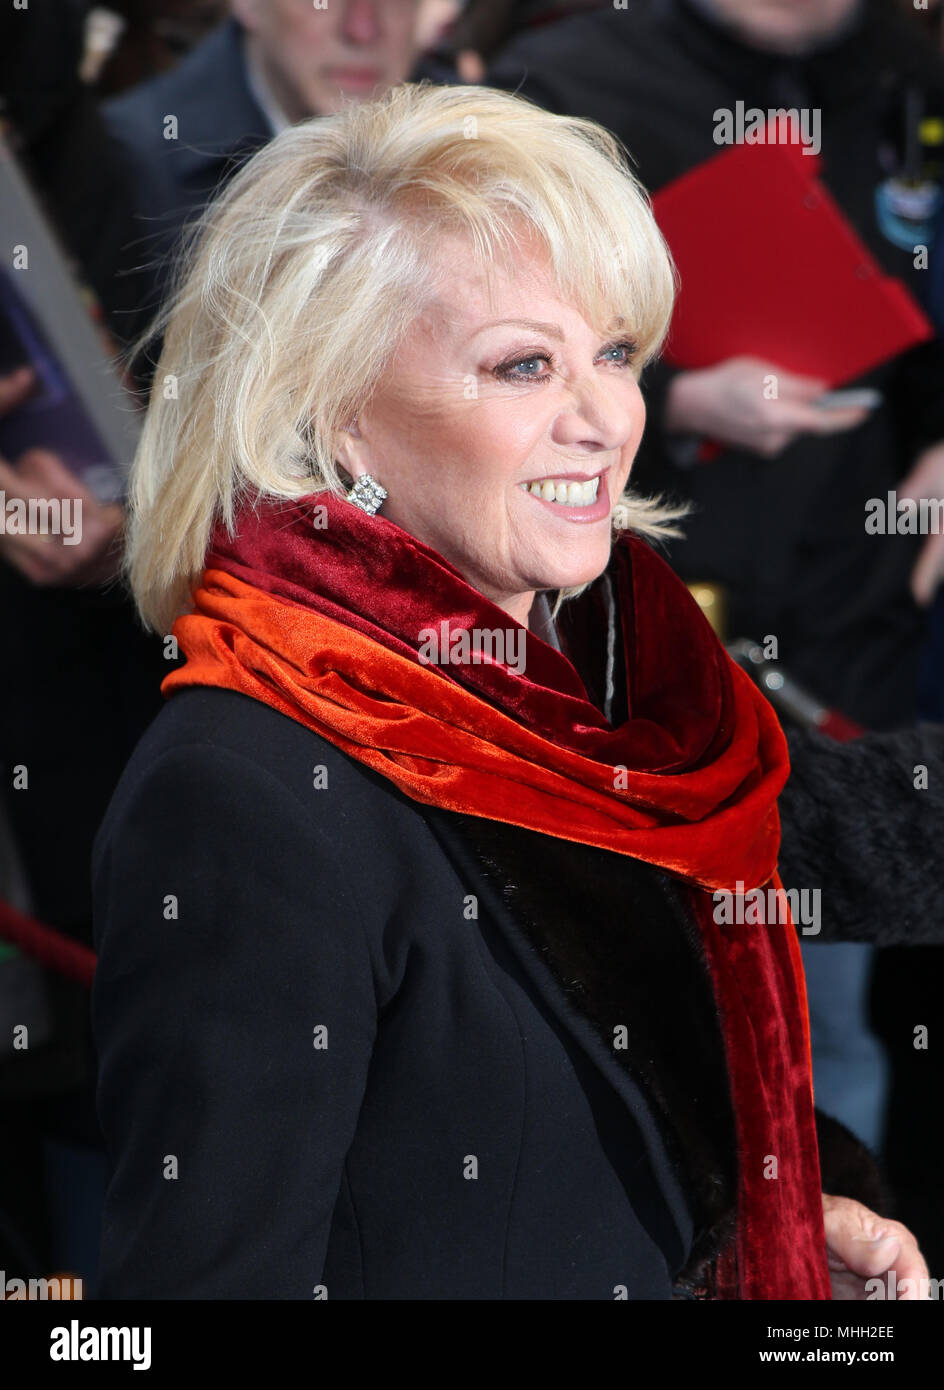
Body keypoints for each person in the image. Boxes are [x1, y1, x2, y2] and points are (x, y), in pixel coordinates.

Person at [91, 82, 926, 1300]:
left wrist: (767, 1237)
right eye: (522, 365)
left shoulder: (609, 698)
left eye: (616, 353)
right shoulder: (247, 788)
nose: (601, 418)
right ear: (337, 420)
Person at [484, 0, 944, 1223]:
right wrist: (679, 392)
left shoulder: (911, 73)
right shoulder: (566, 80)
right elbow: (483, 351)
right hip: (626, 631)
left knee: (823, 1037)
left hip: (854, 627)